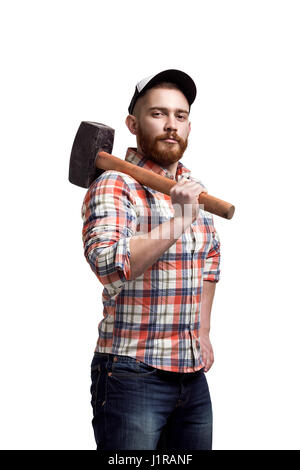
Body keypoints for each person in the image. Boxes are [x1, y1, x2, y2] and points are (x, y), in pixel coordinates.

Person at [81, 69, 221, 450]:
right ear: (133, 123)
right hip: (132, 374)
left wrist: (203, 333)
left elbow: (209, 259)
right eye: (158, 114)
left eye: (180, 115)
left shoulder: (192, 189)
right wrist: (179, 221)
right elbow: (110, 266)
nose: (171, 124)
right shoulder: (115, 184)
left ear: (189, 125)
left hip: (191, 379)